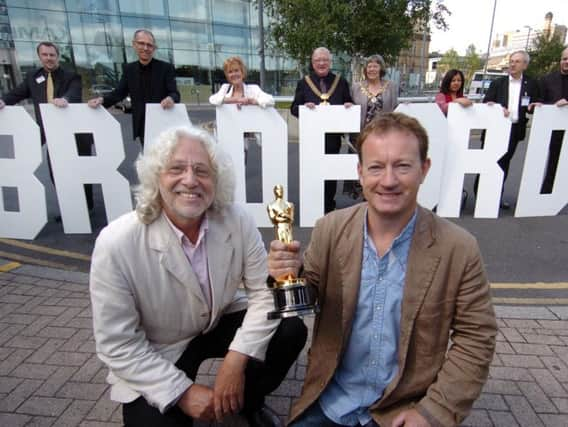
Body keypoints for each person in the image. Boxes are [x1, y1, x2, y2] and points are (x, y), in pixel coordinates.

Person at [268, 113, 497, 427]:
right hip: (331, 402)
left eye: (402, 166)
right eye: (376, 167)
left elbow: (476, 338)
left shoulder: (459, 248)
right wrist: (286, 275)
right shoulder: (331, 229)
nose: (388, 180)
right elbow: (307, 294)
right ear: (360, 173)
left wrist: (433, 412)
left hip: (403, 410)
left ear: (424, 169)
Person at [90, 126, 307, 427]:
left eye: (202, 171)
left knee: (290, 329)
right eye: (176, 168)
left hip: (217, 322)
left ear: (216, 181)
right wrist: (183, 393)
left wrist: (237, 358)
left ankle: (248, 404)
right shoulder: (116, 243)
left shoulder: (236, 219)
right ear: (156, 176)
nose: (190, 180)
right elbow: (117, 344)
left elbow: (263, 293)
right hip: (160, 347)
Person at [0, 41, 94, 212]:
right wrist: (3, 101)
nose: (49, 58)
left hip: (74, 134)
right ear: (40, 56)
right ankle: (70, 208)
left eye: (52, 55)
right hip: (51, 134)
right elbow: (17, 93)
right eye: (45, 55)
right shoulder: (33, 77)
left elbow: (74, 92)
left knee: (81, 172)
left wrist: (65, 99)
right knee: (56, 173)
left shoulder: (71, 76)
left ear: (57, 56)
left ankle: (85, 208)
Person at [88, 29, 180, 145]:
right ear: (134, 45)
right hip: (142, 125)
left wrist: (171, 99)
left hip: (163, 121)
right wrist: (101, 100)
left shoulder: (166, 68)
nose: (145, 48)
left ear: (154, 48)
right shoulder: (129, 69)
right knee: (149, 159)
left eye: (149, 45)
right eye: (141, 43)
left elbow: (175, 93)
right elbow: (119, 93)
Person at [290, 47, 353, 214]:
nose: (321, 63)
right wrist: (303, 107)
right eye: (318, 60)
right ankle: (312, 204)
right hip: (311, 138)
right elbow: (293, 108)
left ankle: (328, 205)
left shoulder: (341, 82)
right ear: (313, 63)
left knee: (330, 173)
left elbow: (349, 101)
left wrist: (348, 105)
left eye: (325, 60)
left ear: (330, 62)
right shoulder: (303, 83)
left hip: (332, 138)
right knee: (312, 172)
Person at [483, 50, 540, 209]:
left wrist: (535, 106)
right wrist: (497, 108)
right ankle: (481, 194)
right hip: (496, 130)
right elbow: (487, 102)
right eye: (511, 61)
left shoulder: (531, 83)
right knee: (489, 162)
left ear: (525, 65)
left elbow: (534, 104)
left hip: (515, 130)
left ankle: (496, 197)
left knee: (504, 164)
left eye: (517, 61)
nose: (512, 64)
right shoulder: (498, 83)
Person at [538, 45, 568, 193]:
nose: (566, 62)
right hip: (553, 131)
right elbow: (541, 101)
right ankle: (547, 191)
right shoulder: (547, 79)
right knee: (553, 161)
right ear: (560, 60)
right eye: (564, 59)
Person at [351, 54, 398, 128]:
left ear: (381, 69)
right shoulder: (356, 87)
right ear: (366, 69)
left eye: (375, 66)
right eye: (369, 67)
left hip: (384, 130)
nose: (372, 69)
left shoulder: (391, 87)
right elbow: (350, 106)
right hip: (362, 133)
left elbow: (396, 108)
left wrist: (406, 106)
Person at [209, 56, 274, 109]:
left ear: (242, 72)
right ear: (227, 75)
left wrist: (252, 101)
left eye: (236, 70)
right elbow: (212, 99)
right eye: (230, 72)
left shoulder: (253, 88)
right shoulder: (225, 88)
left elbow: (270, 100)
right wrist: (235, 100)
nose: (234, 74)